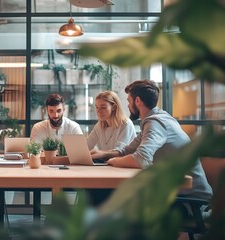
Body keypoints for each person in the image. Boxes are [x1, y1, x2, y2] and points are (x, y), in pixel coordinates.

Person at [91, 80, 213, 210]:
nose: (127, 105)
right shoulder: (155, 119)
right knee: (106, 195)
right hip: (177, 192)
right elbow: (127, 150)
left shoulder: (156, 123)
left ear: (137, 101)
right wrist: (104, 154)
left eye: (129, 101)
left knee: (114, 199)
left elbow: (140, 159)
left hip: (190, 201)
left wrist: (112, 161)